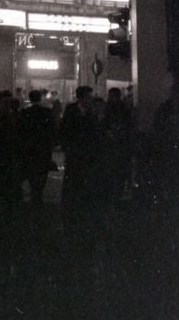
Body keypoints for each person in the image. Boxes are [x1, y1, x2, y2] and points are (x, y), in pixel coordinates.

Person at [60, 85, 103, 222]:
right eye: (89, 97)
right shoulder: (72, 110)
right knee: (73, 177)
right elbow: (66, 130)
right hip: (75, 151)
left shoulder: (90, 112)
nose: (91, 99)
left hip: (86, 152)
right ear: (82, 97)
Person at [18, 89, 56, 206]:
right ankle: (37, 196)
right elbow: (52, 130)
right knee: (41, 174)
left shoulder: (24, 113)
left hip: (29, 148)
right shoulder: (47, 112)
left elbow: (21, 132)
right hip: (43, 148)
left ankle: (33, 196)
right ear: (40, 98)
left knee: (30, 172)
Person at [102, 86, 133, 203]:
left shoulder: (109, 107)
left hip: (115, 143)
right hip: (120, 143)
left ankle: (114, 191)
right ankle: (118, 191)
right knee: (119, 168)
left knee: (113, 168)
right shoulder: (123, 108)